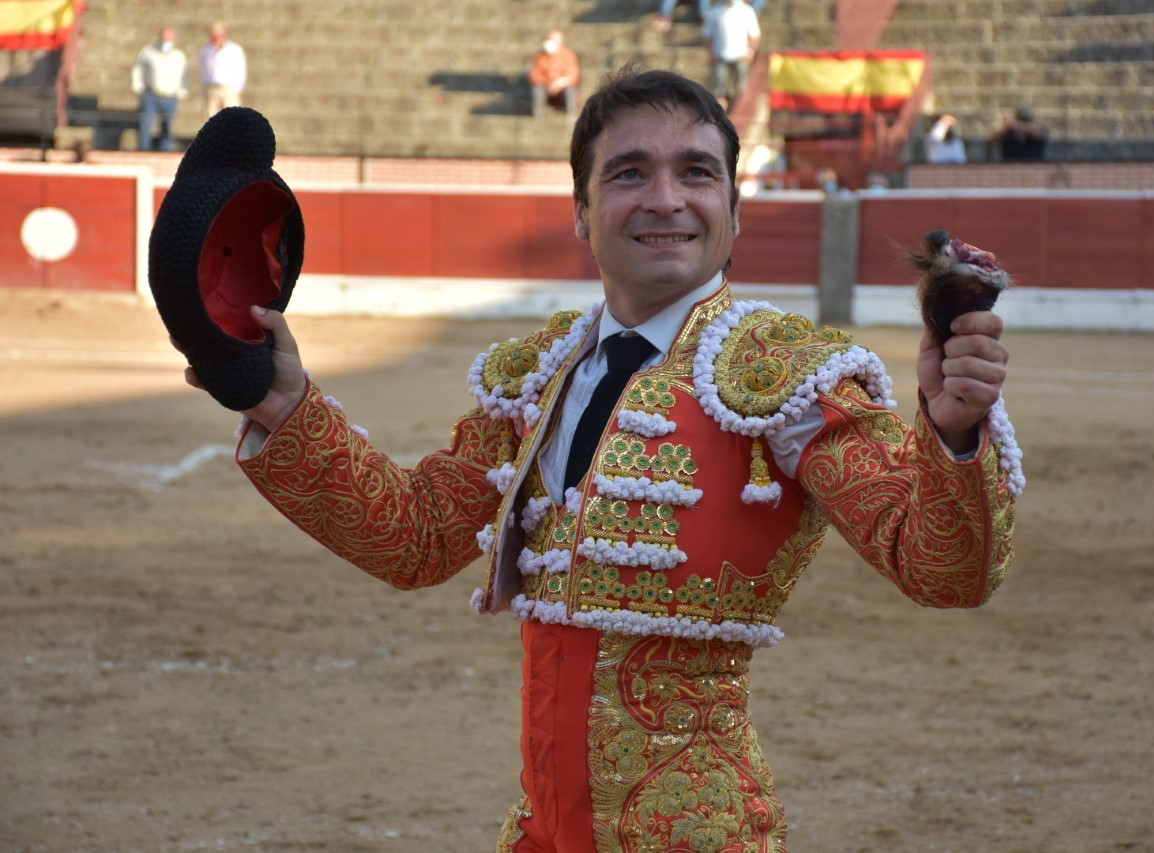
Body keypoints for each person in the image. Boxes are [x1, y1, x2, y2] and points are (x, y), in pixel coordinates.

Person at [182, 66, 1021, 851]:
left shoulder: (784, 372)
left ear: (735, 206)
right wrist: (284, 403)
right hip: (543, 830)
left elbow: (942, 569)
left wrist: (951, 435)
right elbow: (419, 537)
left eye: (696, 172)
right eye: (628, 174)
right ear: (581, 211)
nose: (666, 199)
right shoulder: (537, 374)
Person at [130, 26, 188, 152]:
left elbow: (185, 75)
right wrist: (137, 85)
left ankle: (165, 151)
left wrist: (182, 90)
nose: (166, 41)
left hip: (170, 97)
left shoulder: (179, 56)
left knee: (168, 127)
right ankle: (144, 150)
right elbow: (138, 68)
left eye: (169, 38)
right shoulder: (148, 52)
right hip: (151, 94)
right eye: (164, 37)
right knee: (146, 125)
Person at [703, 0, 761, 108]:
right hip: (720, 56)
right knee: (719, 91)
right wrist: (711, 52)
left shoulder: (747, 10)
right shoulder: (715, 10)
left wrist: (750, 52)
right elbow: (708, 35)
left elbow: (755, 35)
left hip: (741, 57)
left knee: (742, 89)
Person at [198, 21, 247, 118]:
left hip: (229, 89)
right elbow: (203, 69)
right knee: (210, 119)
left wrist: (237, 88)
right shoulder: (205, 50)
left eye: (218, 35)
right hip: (212, 89)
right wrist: (206, 85)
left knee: (232, 119)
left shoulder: (234, 49)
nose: (215, 38)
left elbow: (241, 70)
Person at [528, 29, 580, 118]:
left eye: (551, 40)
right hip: (545, 87)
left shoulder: (568, 54)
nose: (548, 42)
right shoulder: (540, 56)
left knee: (570, 88)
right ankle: (537, 116)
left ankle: (570, 115)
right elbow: (534, 75)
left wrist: (560, 82)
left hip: (562, 87)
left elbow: (573, 74)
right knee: (537, 89)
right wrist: (547, 83)